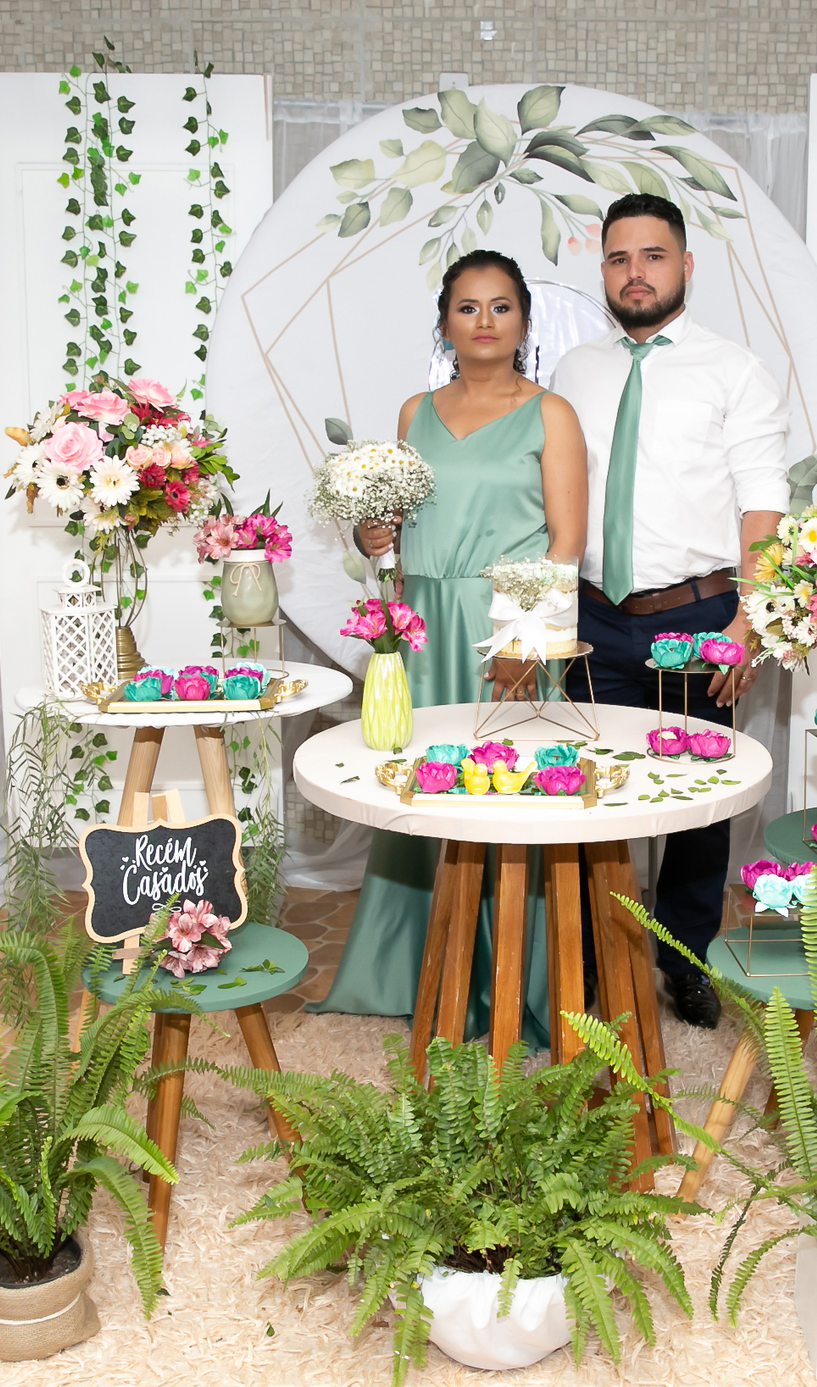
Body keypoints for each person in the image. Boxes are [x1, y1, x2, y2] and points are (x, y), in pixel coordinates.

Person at [312, 250, 588, 1041]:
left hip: (508, 629)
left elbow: (566, 542)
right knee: (421, 790)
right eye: (468, 307)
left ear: (524, 322)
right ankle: (414, 970)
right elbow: (396, 531)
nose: (485, 321)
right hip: (423, 626)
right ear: (445, 323)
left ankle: (512, 984)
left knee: (507, 800)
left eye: (501, 306)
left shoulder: (552, 414)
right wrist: (375, 536)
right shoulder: (414, 413)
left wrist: (527, 642)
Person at [551, 193, 789, 1030]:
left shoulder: (735, 370)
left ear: (685, 266)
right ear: (603, 270)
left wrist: (748, 623)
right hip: (591, 618)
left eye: (653, 256)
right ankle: (591, 960)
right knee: (591, 792)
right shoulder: (574, 371)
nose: (636, 273)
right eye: (619, 258)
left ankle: (685, 961)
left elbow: (763, 506)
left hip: (698, 617)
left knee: (694, 800)